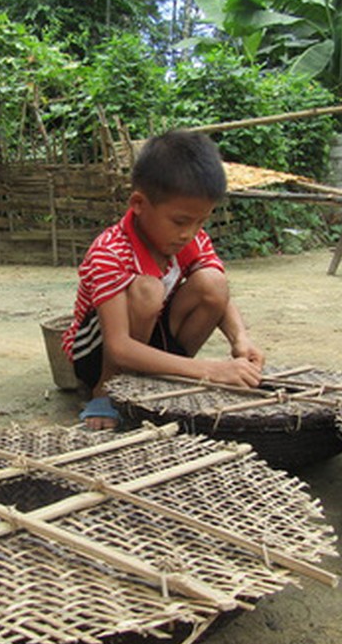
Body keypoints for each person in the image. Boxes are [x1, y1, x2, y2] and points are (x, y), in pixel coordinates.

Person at [62, 130, 265, 430]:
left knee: (213, 283)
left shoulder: (188, 240)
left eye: (200, 222)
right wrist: (211, 371)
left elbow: (220, 296)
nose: (190, 232)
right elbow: (118, 346)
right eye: (181, 221)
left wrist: (241, 340)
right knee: (148, 290)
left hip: (151, 338)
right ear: (139, 203)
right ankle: (106, 392)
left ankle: (156, 379)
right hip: (97, 353)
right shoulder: (111, 252)